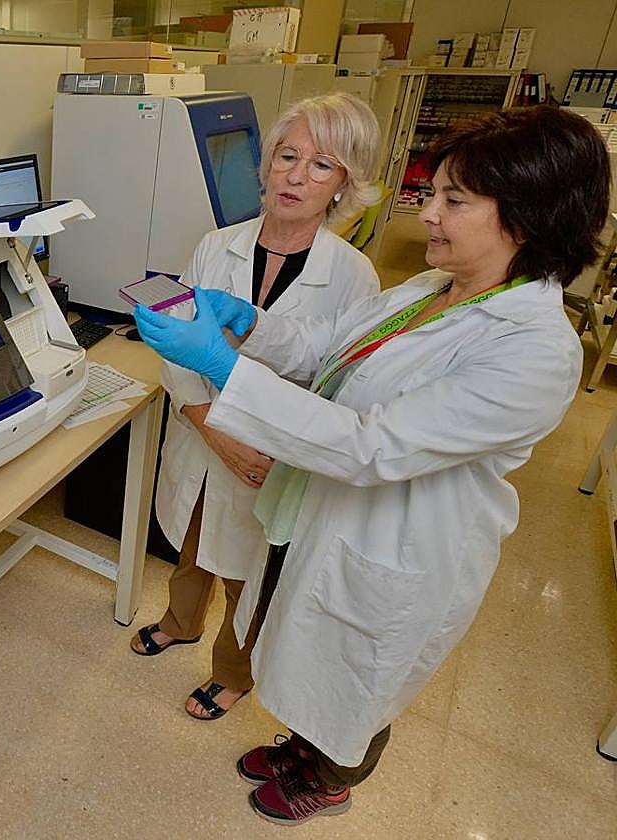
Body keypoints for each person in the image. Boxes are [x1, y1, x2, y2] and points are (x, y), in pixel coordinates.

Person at [133, 104, 606, 825]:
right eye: (433, 193)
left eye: (453, 201)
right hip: (326, 512)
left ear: (527, 218)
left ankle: (332, 781)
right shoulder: (430, 290)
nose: (429, 214)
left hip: (400, 543)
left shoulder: (533, 351)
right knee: (308, 650)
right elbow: (328, 350)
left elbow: (369, 445)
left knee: (356, 677)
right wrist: (252, 324)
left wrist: (226, 369)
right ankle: (303, 750)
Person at [129, 93, 381, 723]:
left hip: (270, 458)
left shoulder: (354, 277)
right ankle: (180, 622)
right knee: (190, 543)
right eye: (287, 156)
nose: (296, 176)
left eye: (321, 165)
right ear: (266, 163)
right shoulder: (216, 246)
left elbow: (332, 383)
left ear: (345, 183)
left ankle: (231, 671)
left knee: (251, 570)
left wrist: (245, 436)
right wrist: (211, 428)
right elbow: (176, 351)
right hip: (201, 438)